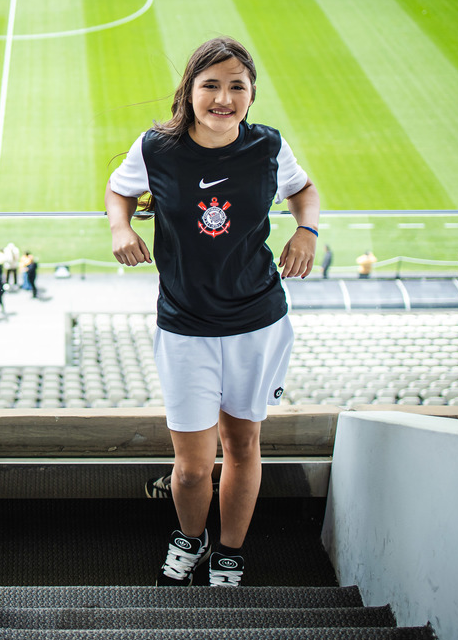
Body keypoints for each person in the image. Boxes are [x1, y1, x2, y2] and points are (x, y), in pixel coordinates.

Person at [106, 37, 318, 588]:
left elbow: (304, 190)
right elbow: (118, 190)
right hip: (186, 327)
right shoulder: (156, 147)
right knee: (193, 465)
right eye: (211, 86)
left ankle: (229, 551)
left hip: (259, 321)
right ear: (190, 91)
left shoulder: (268, 146)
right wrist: (120, 226)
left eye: (237, 87)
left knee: (244, 445)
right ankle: (191, 539)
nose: (223, 98)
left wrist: (306, 230)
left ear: (251, 94)